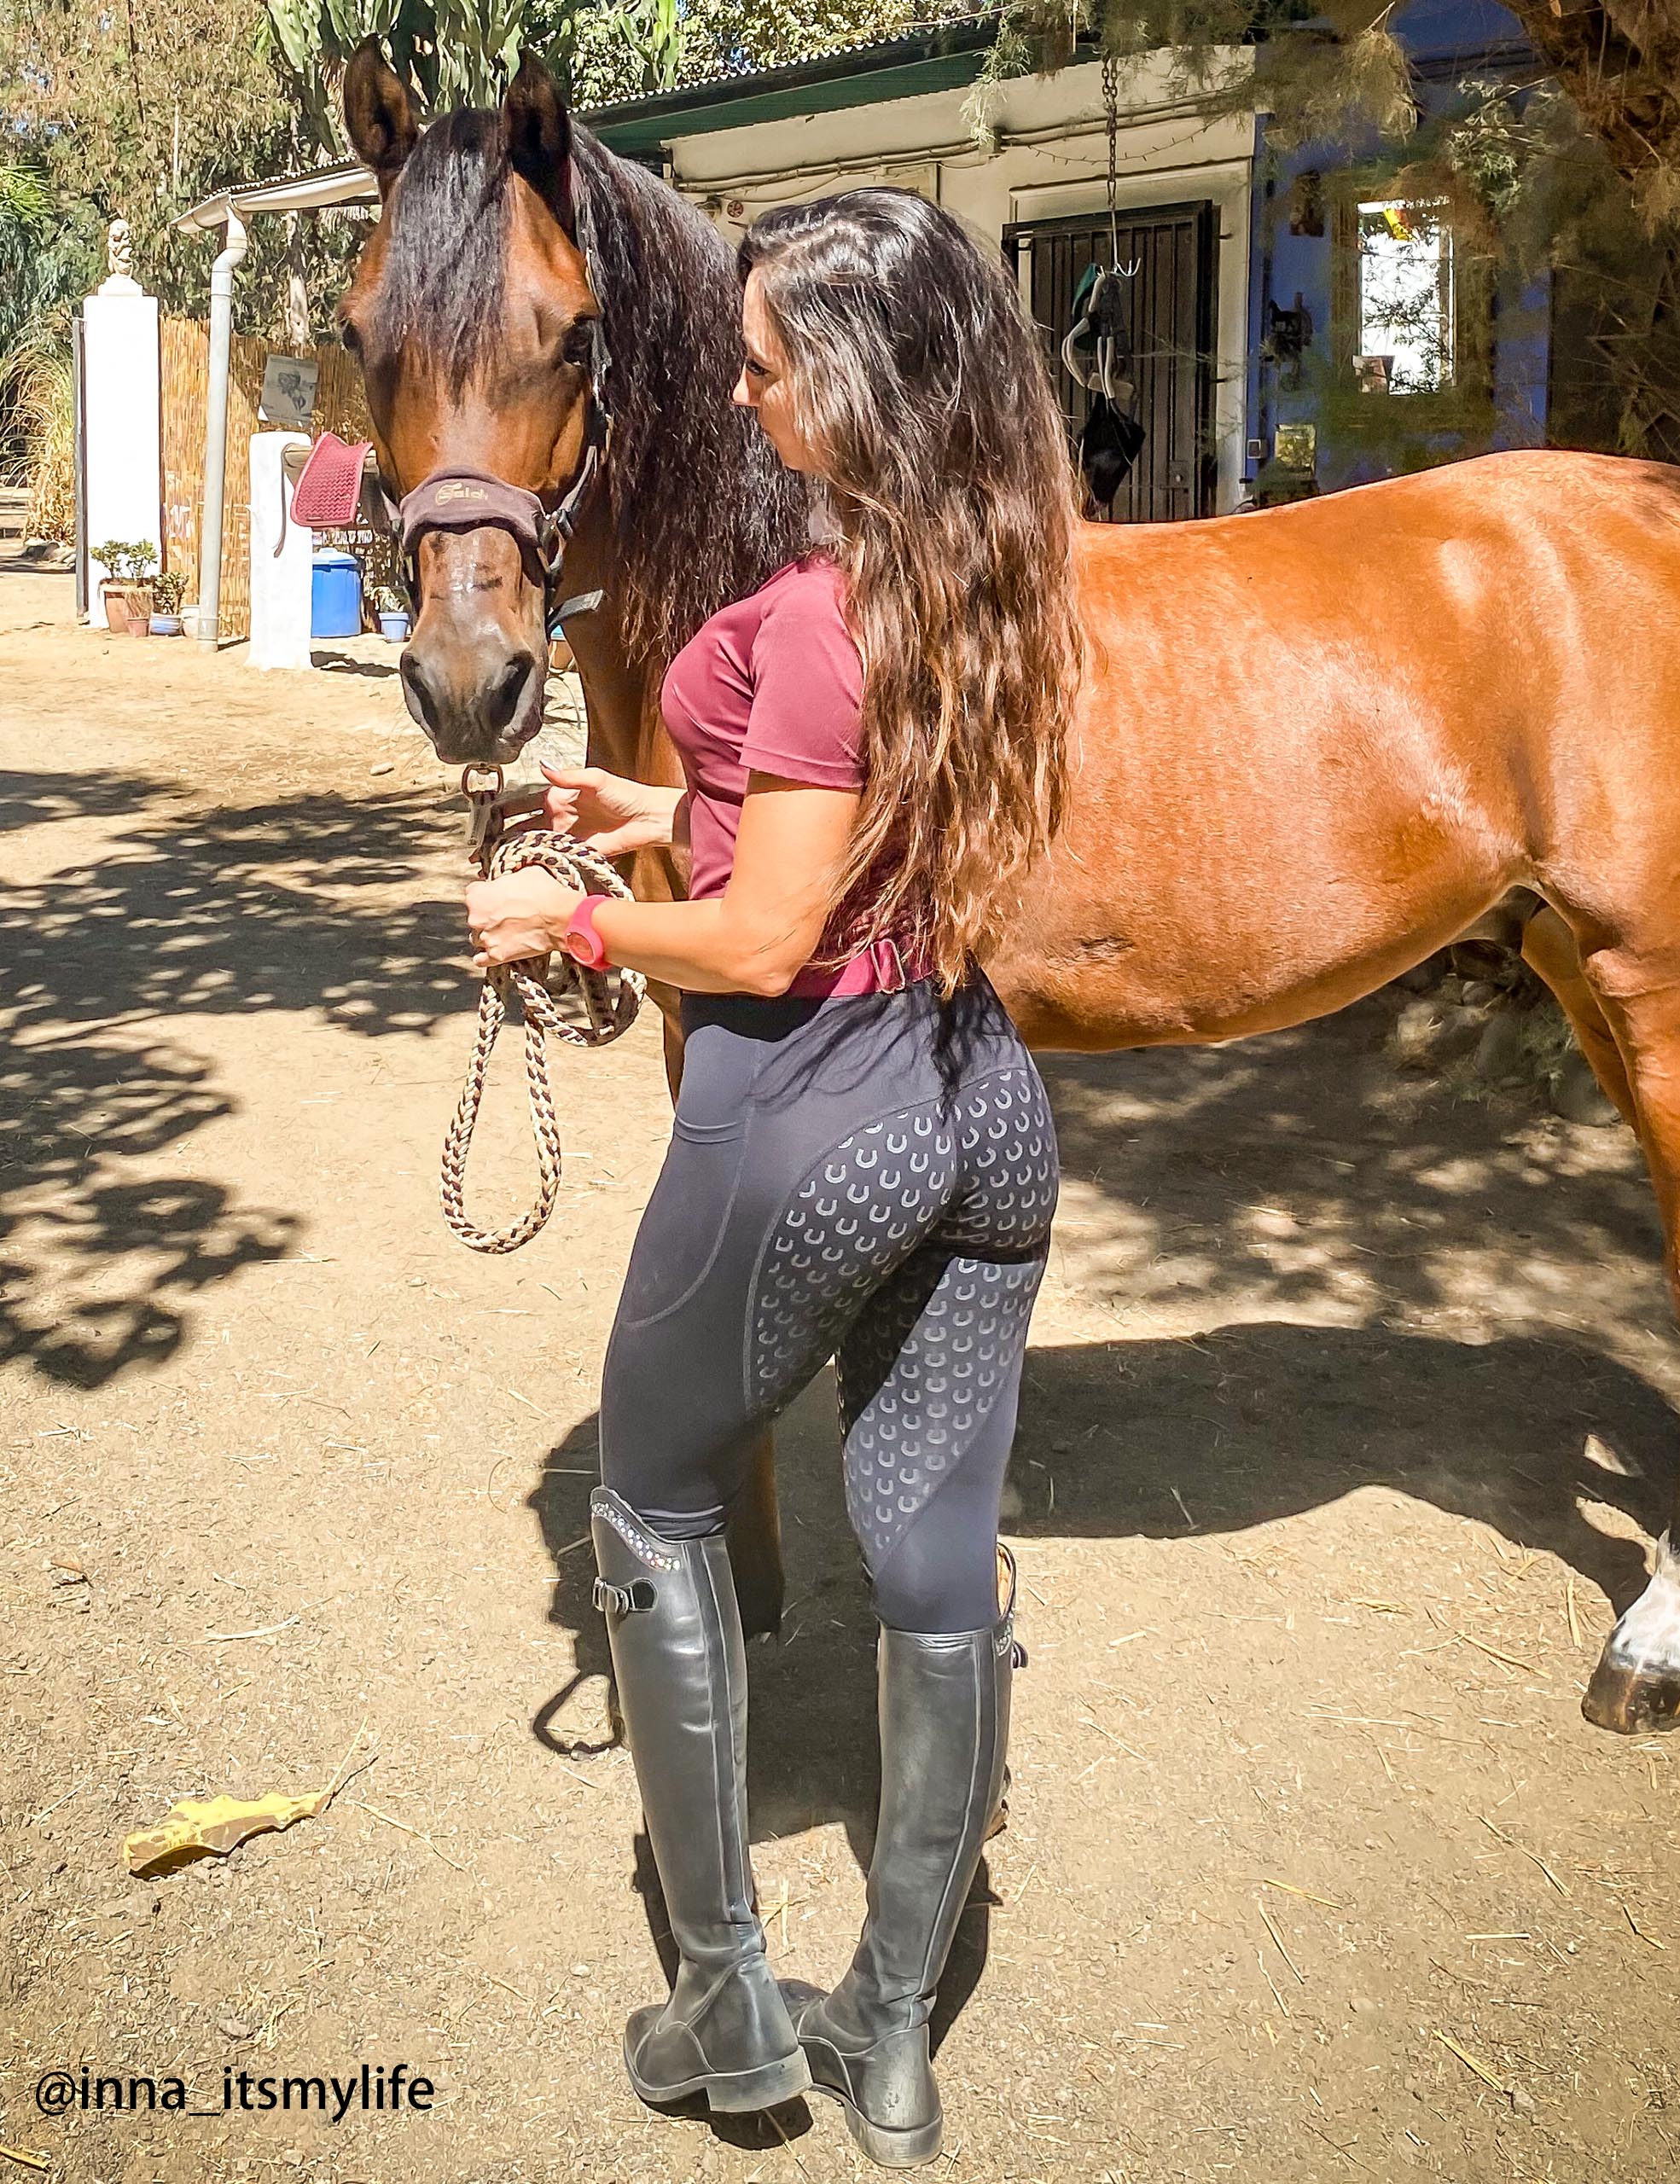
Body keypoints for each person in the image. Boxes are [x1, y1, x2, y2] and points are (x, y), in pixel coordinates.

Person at [464, 187, 1083, 2169]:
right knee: (927, 1556)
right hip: (981, 1096)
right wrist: (656, 801)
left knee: (648, 1495)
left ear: (867, 381)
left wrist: (563, 918)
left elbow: (754, 941)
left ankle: (728, 2001)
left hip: (808, 1108)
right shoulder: (978, 564)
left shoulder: (817, 619)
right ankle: (889, 2032)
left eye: (763, 361)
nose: (732, 390)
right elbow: (830, 816)